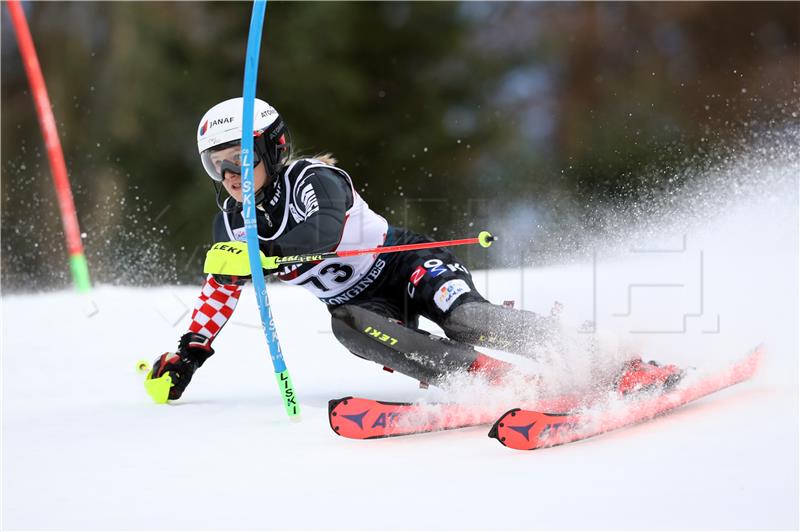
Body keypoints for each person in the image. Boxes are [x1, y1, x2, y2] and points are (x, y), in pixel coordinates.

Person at [147, 97, 682, 401]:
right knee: (347, 325)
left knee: (467, 318)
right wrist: (190, 352)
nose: (230, 175)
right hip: (365, 303)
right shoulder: (232, 223)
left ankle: (612, 362)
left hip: (405, 264)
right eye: (216, 165)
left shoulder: (315, 178)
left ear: (273, 147)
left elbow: (324, 233)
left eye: (240, 158)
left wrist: (268, 255)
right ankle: (486, 380)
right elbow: (222, 287)